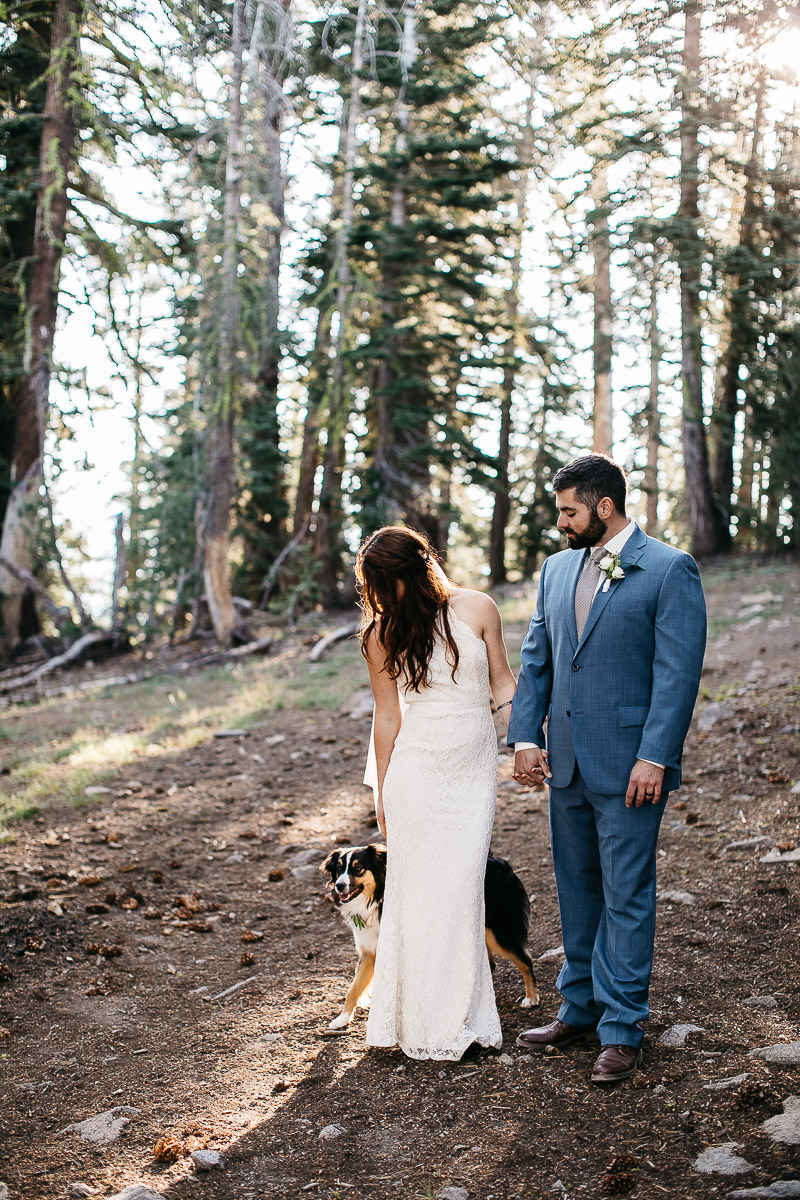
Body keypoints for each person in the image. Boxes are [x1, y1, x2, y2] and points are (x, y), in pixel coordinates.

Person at [508, 453, 706, 1084]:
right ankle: (579, 1008)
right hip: (563, 762)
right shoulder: (556, 569)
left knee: (627, 895)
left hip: (629, 769)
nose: (561, 523)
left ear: (603, 507)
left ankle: (622, 1028)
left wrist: (655, 755)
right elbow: (537, 657)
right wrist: (524, 738)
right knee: (576, 887)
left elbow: (676, 676)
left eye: (569, 512)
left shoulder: (670, 569)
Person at [355, 525, 517, 1061]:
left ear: (414, 573)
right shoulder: (380, 632)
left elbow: (501, 683)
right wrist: (382, 788)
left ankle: (460, 1015)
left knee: (462, 889)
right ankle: (411, 1018)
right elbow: (387, 714)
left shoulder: (476, 608)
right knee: (418, 895)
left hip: (471, 771)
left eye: (386, 583)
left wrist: (522, 742)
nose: (379, 596)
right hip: (415, 772)